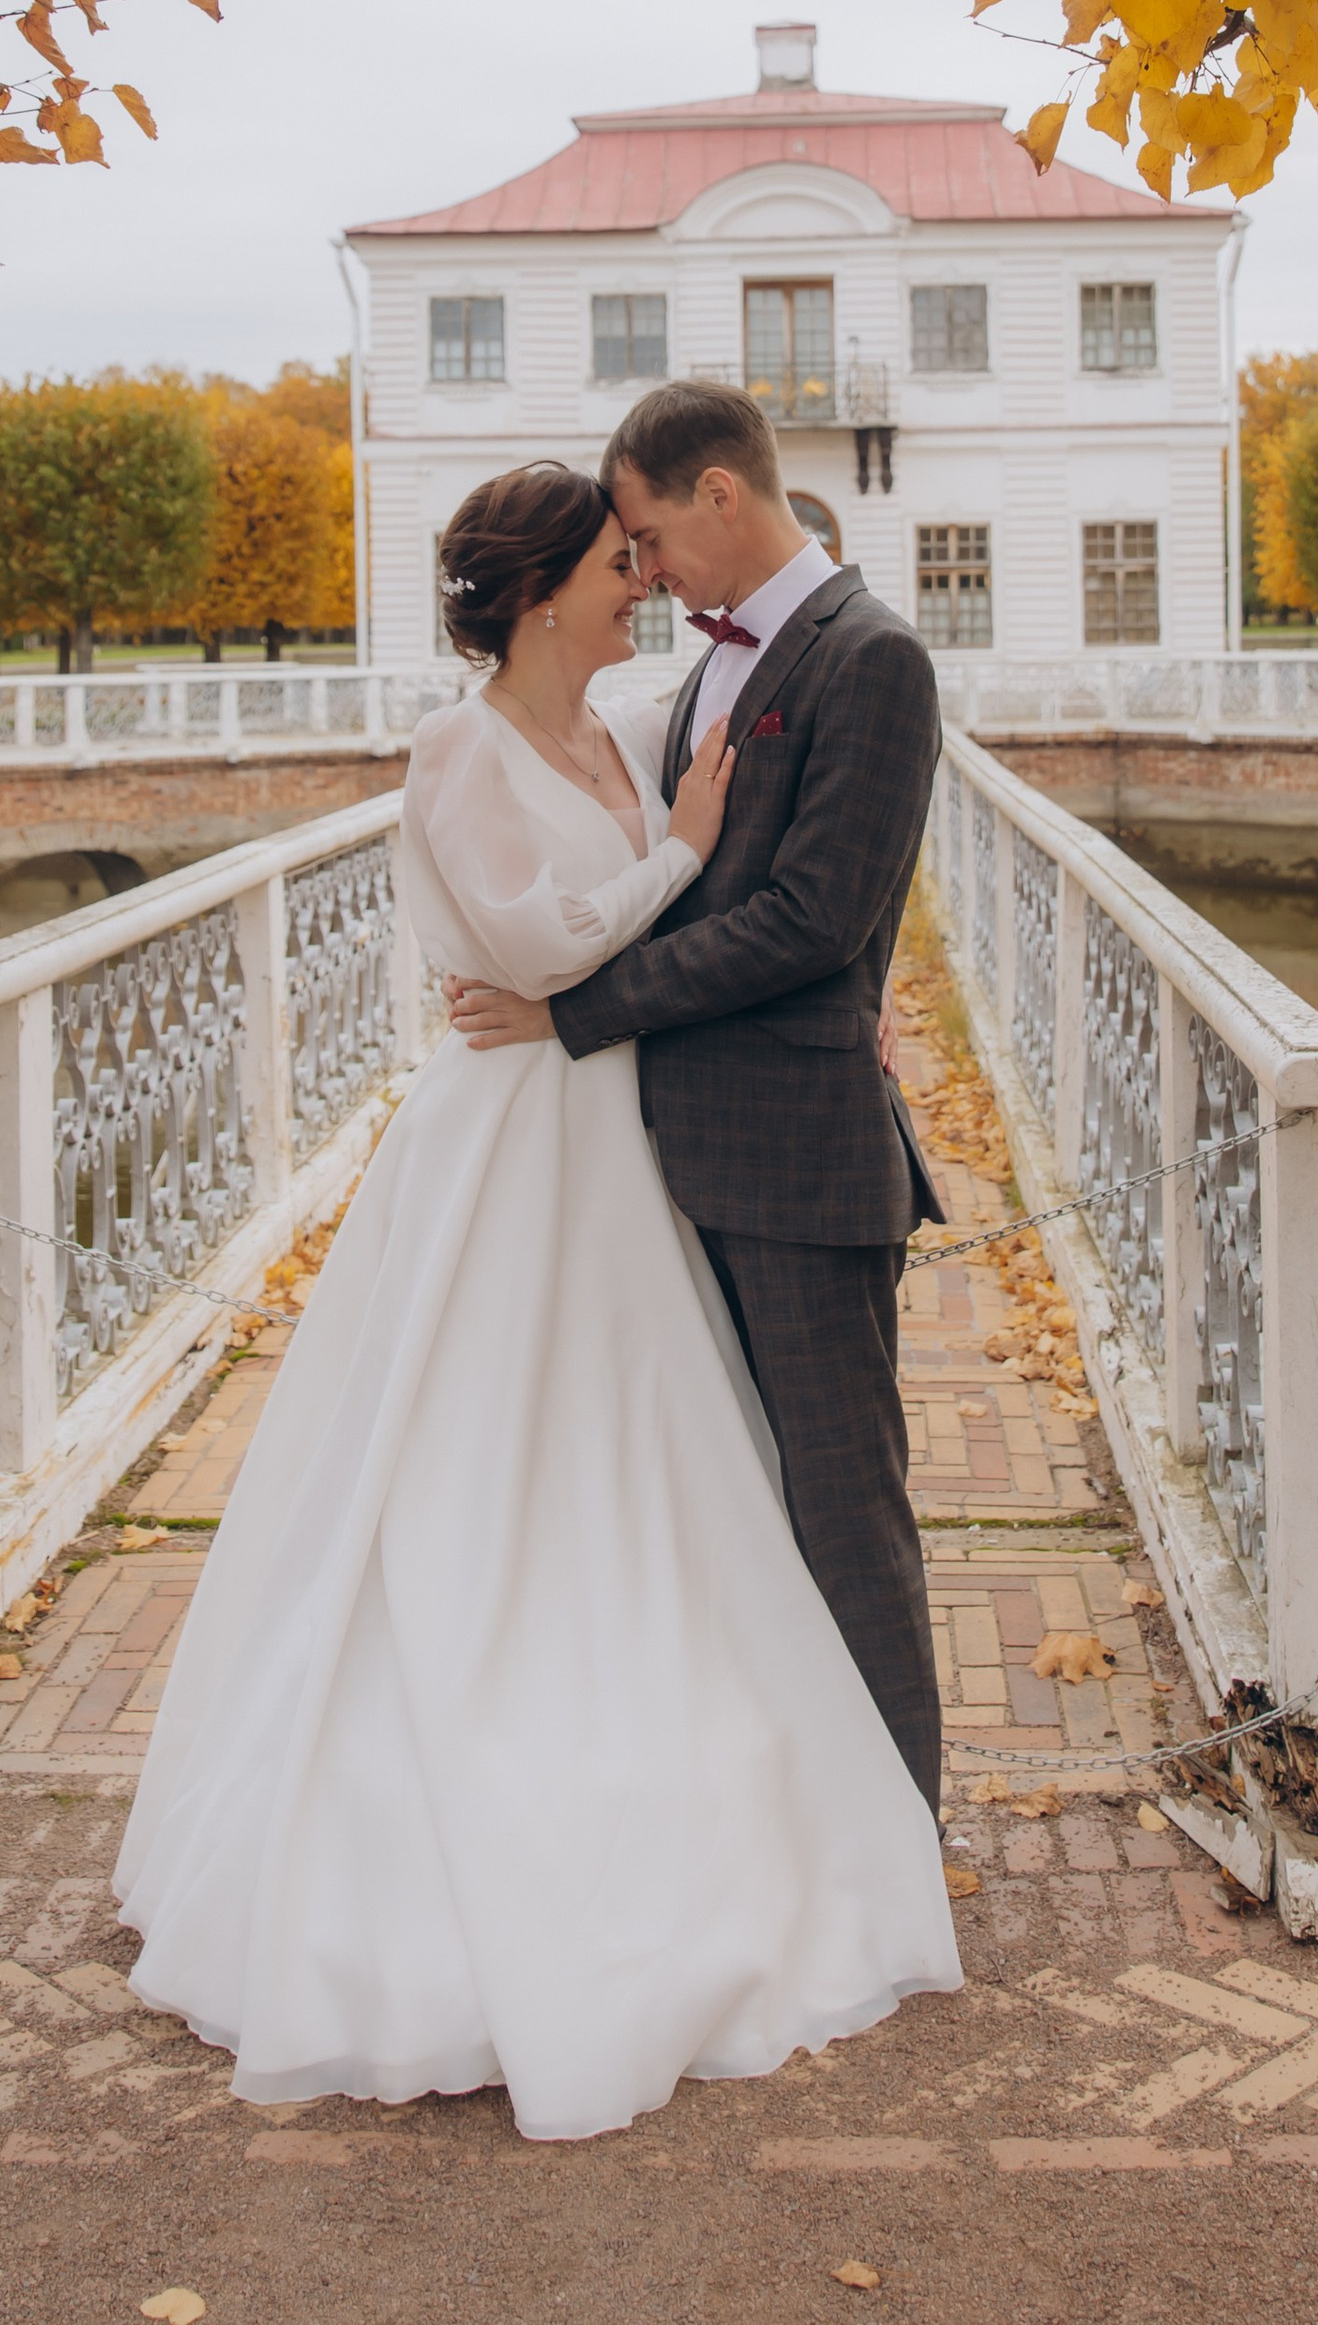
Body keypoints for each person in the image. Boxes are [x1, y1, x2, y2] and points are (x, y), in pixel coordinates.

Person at [112, 458, 958, 2145]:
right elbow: (526, 939)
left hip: (618, 1137)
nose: (636, 577)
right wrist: (685, 855)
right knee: (477, 1458)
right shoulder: (458, 748)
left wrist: (764, 916)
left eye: (639, 545)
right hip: (513, 1129)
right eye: (610, 558)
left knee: (647, 1454)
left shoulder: (630, 722)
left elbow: (751, 820)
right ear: (539, 588)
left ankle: (777, 1786)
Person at [450, 383, 948, 1810]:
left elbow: (813, 919)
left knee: (845, 1513)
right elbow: (652, 881)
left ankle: (896, 1835)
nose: (648, 568)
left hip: (798, 1170)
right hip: (672, 1164)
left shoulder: (873, 657)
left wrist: (572, 1013)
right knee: (726, 1512)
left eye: (653, 534)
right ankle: (780, 1812)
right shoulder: (702, 678)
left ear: (721, 494)